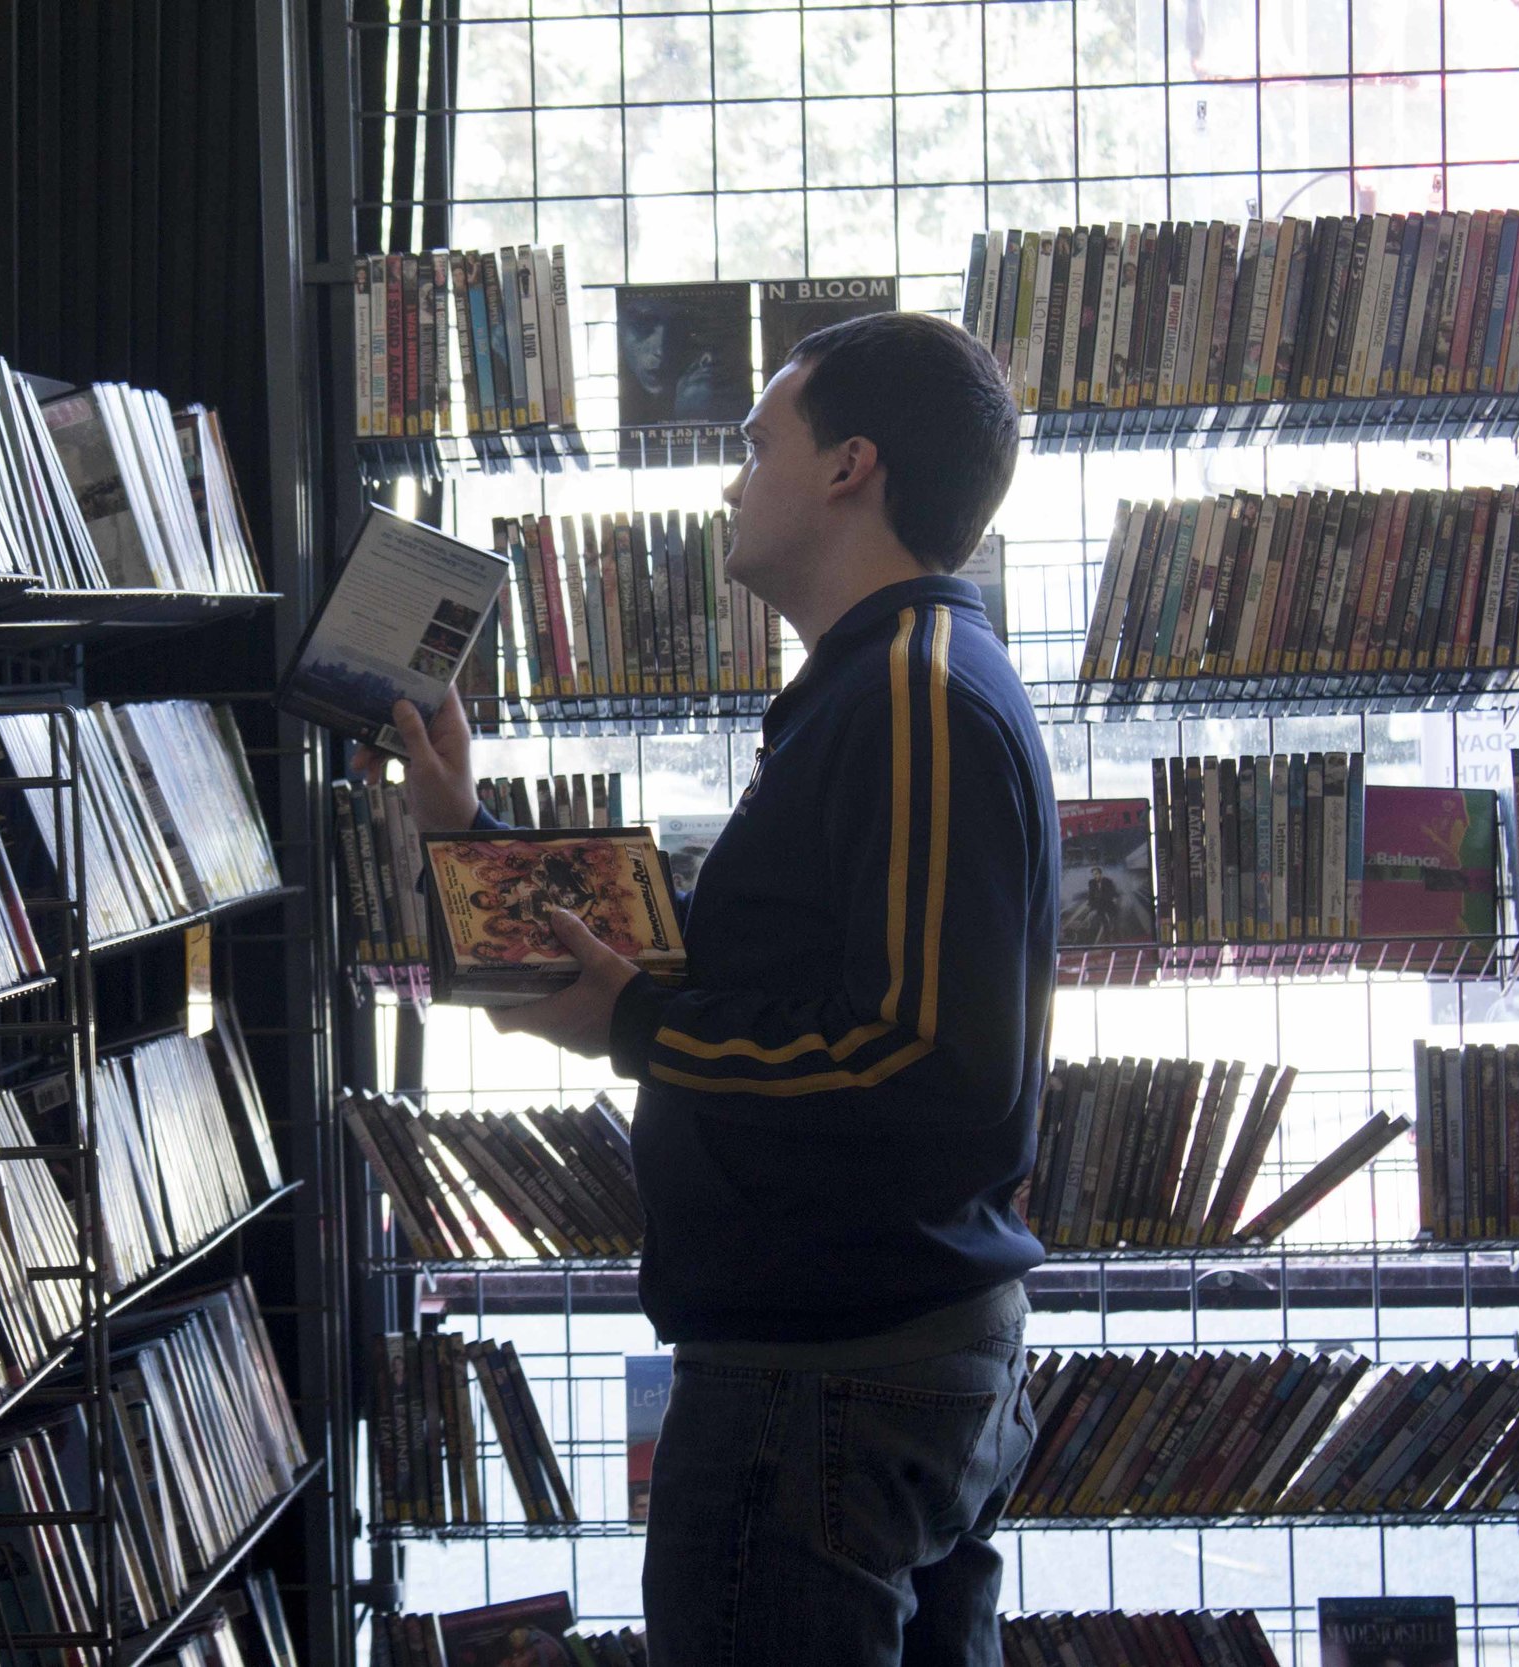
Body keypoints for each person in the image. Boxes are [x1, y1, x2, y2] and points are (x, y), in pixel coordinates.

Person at [378, 311, 1056, 1666]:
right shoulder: (882, 686)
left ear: (850, 467)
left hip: (829, 1383)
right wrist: (467, 830)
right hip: (859, 1365)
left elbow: (923, 1067)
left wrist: (635, 1022)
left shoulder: (914, 697)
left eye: (759, 446)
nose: (733, 481)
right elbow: (755, 973)